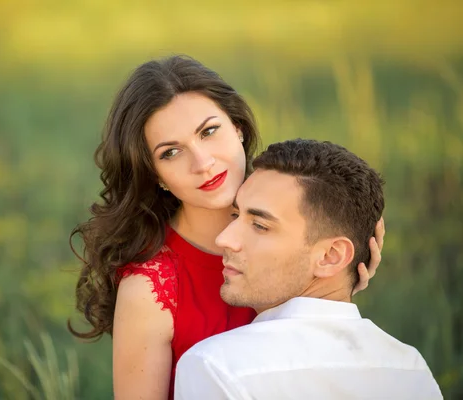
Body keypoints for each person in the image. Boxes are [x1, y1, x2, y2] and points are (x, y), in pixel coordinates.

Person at [69, 56, 385, 400]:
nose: (203, 163)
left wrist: (337, 293)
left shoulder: (300, 211)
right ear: (155, 175)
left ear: (238, 128)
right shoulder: (150, 290)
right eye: (171, 152)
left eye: (209, 132)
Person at [174, 139, 442, 400]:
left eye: (260, 226)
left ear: (331, 256)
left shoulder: (216, 367)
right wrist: (340, 286)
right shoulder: (410, 368)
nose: (224, 240)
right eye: (235, 215)